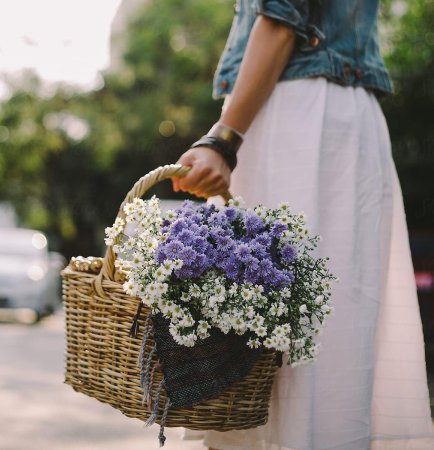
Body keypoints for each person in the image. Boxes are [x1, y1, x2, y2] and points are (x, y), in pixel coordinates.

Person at [171, 1, 434, 449]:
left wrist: (225, 138)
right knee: (297, 333)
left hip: (300, 119)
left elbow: (281, 19)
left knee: (298, 339)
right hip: (313, 115)